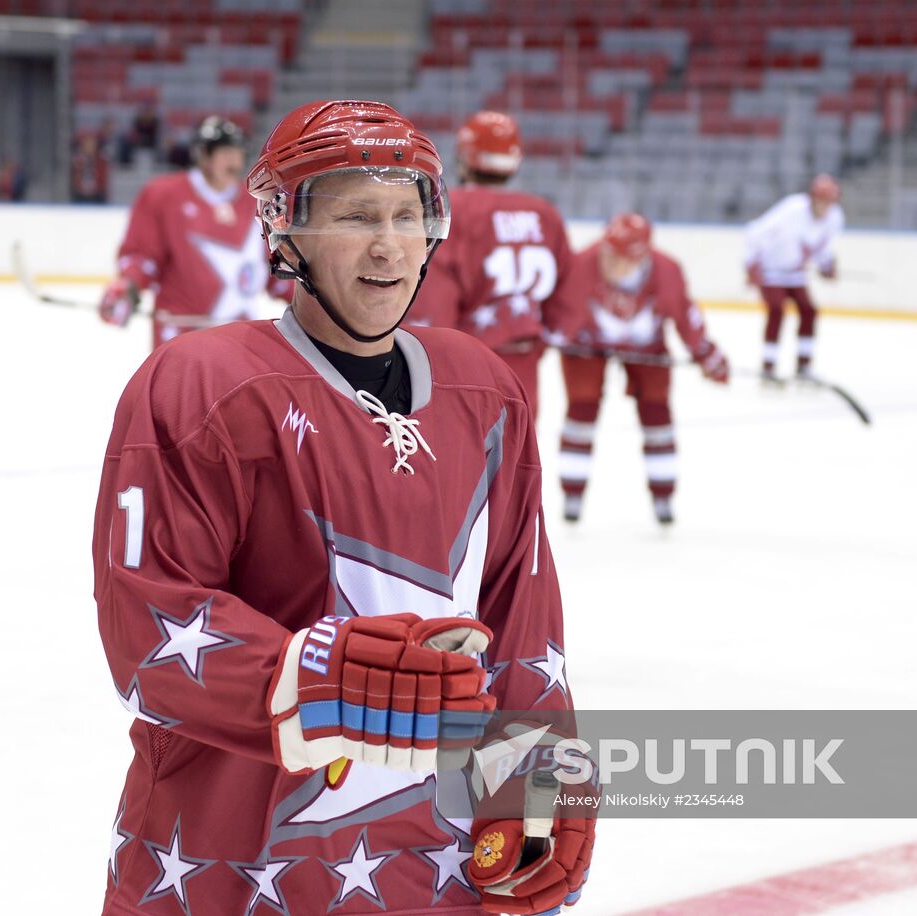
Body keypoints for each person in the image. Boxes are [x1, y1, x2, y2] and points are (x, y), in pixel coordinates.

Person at [92, 100, 594, 915]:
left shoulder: (483, 390)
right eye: (357, 215)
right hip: (238, 863)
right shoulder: (201, 387)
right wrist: (318, 679)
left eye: (407, 214)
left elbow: (520, 615)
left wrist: (537, 782)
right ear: (284, 229)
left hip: (432, 859)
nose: (389, 243)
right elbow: (147, 623)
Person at [556, 213, 729, 525]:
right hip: (586, 345)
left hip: (647, 348)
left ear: (641, 257)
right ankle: (572, 492)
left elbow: (686, 318)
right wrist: (543, 340)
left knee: (657, 414)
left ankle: (663, 495)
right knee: (581, 410)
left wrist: (707, 355)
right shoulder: (584, 262)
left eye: (619, 257)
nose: (609, 262)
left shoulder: (666, 270)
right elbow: (561, 315)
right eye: (607, 252)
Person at [409, 110, 573, 413]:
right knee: (514, 454)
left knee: (458, 454)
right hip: (523, 365)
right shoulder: (545, 213)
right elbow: (566, 296)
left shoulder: (452, 208)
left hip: (461, 364)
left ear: (465, 156)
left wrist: (422, 349)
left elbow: (433, 290)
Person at [98, 115, 284, 348]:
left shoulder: (254, 201)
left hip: (238, 334)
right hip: (180, 332)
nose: (234, 162)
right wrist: (129, 286)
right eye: (225, 154)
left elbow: (273, 265)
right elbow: (143, 254)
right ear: (203, 157)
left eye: (237, 154)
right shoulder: (164, 195)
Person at [743, 174, 844, 380]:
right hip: (771, 270)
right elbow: (755, 231)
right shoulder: (792, 209)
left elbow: (822, 248)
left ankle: (803, 366)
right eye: (821, 201)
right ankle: (768, 366)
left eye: (829, 202)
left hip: (796, 274)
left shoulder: (835, 217)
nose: (825, 207)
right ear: (813, 198)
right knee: (777, 311)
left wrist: (827, 265)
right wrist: (750, 263)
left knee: (809, 311)